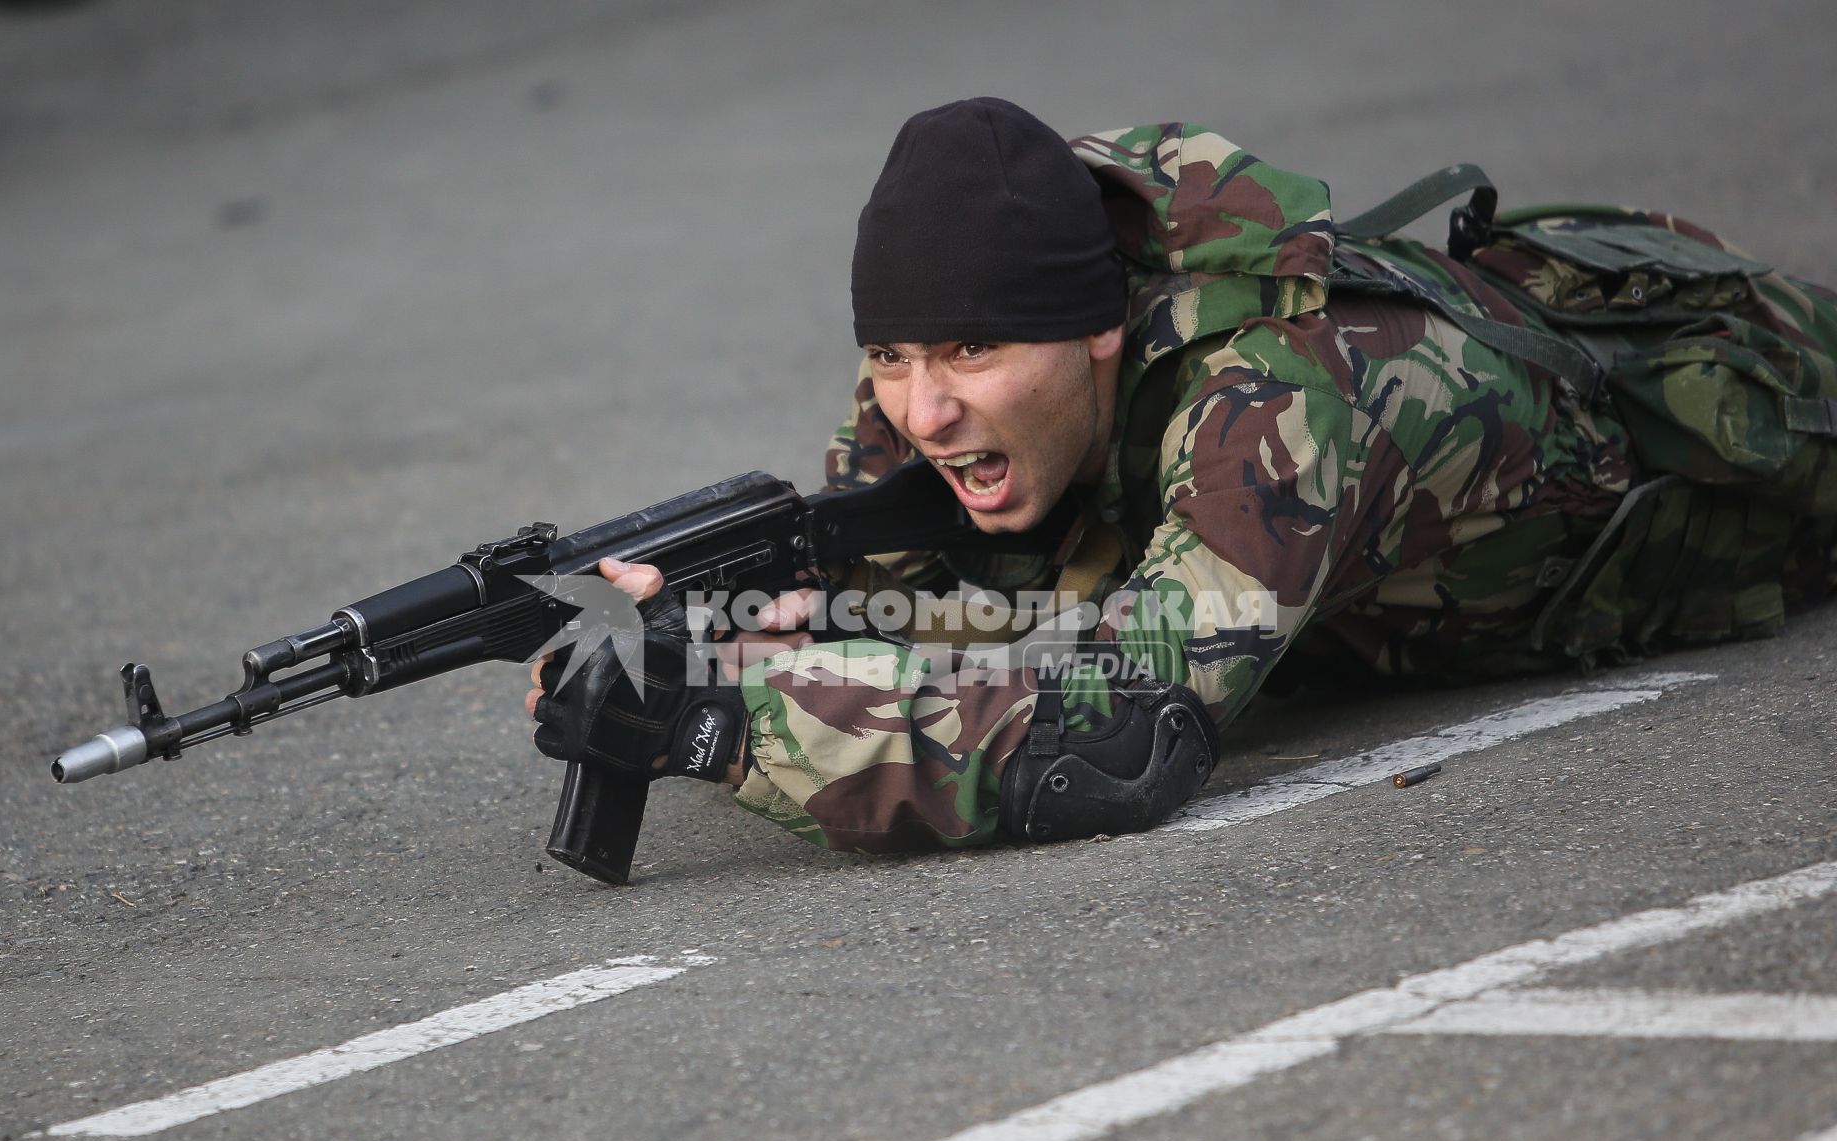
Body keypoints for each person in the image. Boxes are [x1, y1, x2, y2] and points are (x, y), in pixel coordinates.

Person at [526, 98, 1837, 855]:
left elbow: (1114, 747)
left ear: (1099, 328)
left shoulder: (1279, 405)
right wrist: (708, 631)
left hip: (1774, 466)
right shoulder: (935, 408)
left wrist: (724, 725)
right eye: (890, 352)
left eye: (975, 349)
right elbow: (908, 595)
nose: (923, 407)